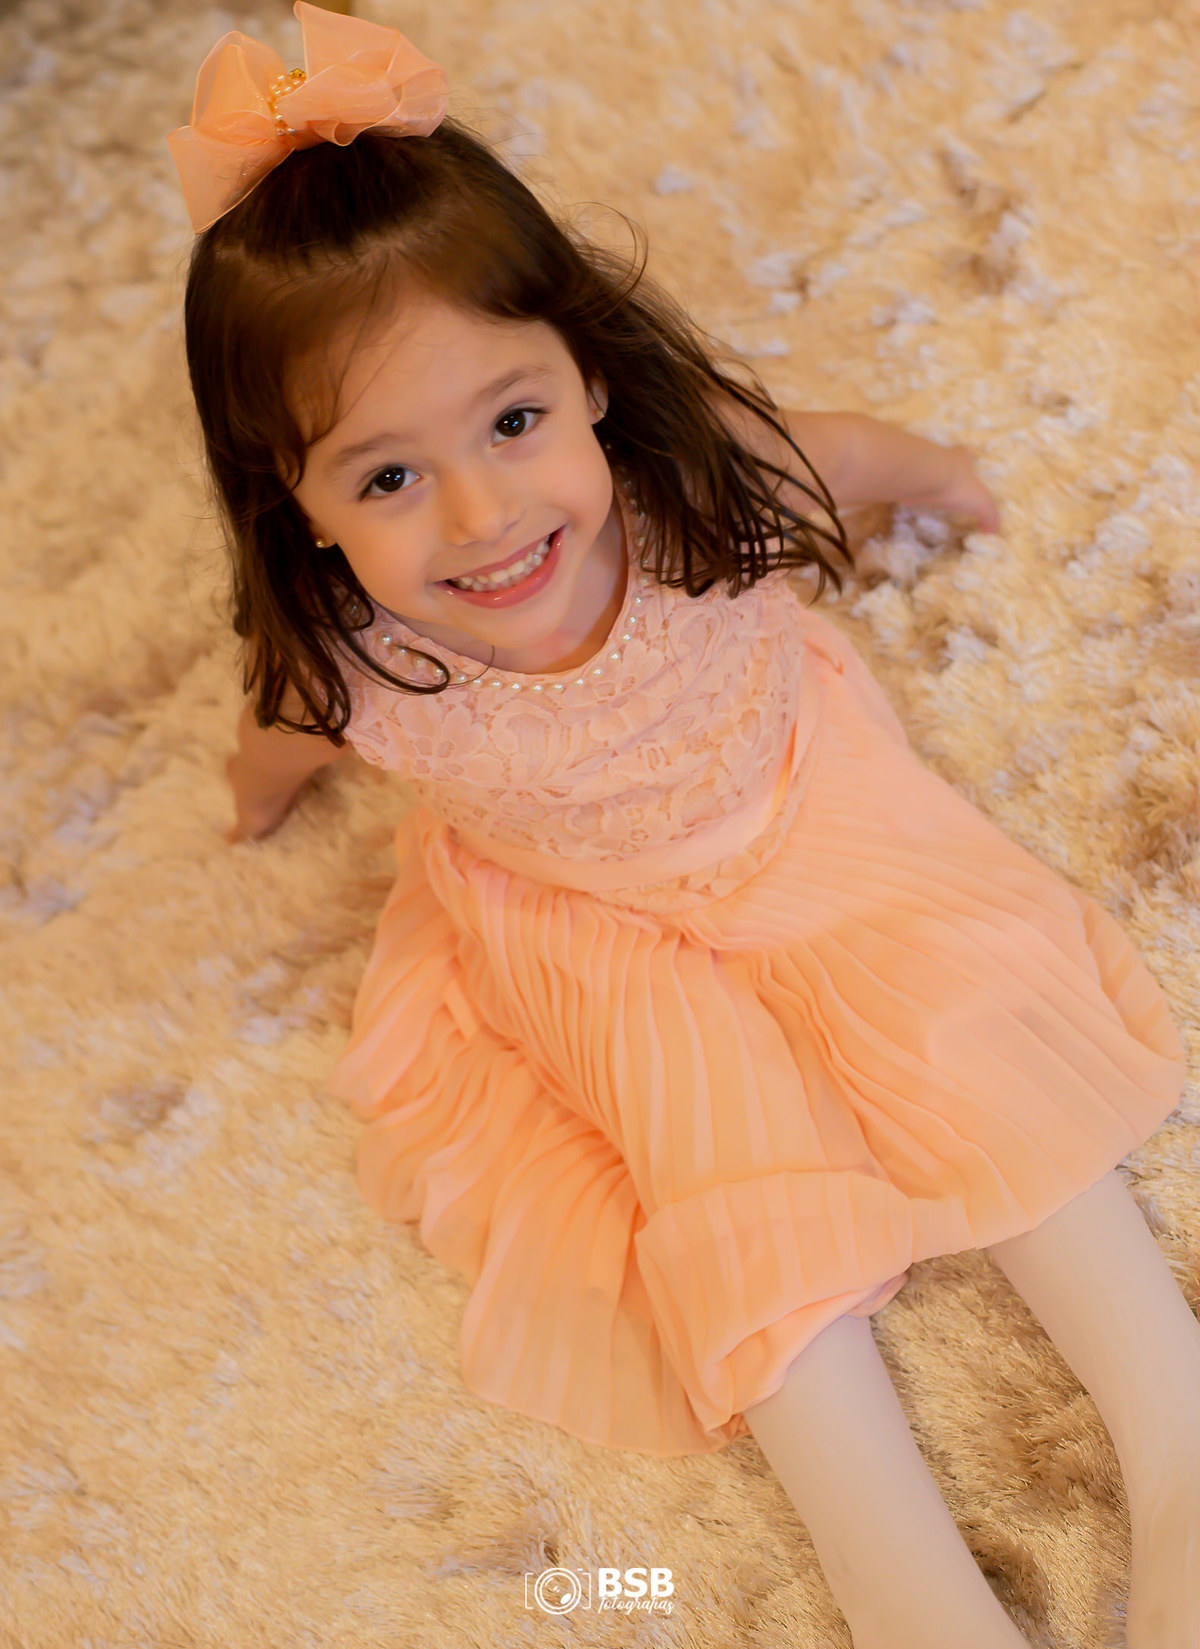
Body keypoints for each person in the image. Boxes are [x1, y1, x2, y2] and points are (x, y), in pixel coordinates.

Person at [168, 7, 1200, 1646]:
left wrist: (946, 474)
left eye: (513, 421)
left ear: (585, 372)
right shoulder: (356, 659)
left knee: (969, 1023)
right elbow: (277, 729)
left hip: (800, 803)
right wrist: (254, 795)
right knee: (721, 1168)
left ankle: (1177, 1427)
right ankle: (906, 1587)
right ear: (291, 501)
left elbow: (841, 455)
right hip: (591, 921)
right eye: (387, 479)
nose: (485, 516)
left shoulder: (694, 481)